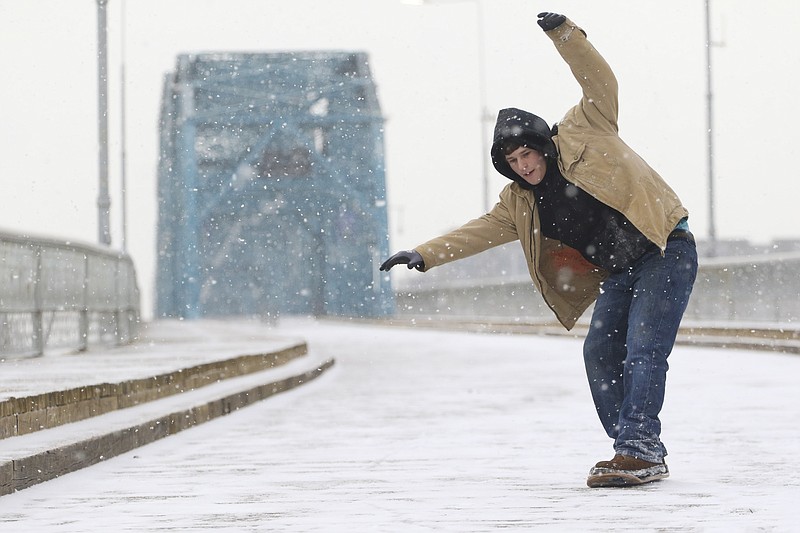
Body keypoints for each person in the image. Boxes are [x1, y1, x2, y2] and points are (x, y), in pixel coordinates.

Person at [380, 12, 698, 488]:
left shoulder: (585, 128)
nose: (523, 166)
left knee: (645, 352)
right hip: (620, 269)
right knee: (599, 352)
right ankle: (632, 446)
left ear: (540, 145)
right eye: (512, 162)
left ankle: (638, 448)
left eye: (526, 154)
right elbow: (479, 231)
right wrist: (423, 254)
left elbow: (598, 79)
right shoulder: (519, 202)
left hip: (664, 247)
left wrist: (564, 35)